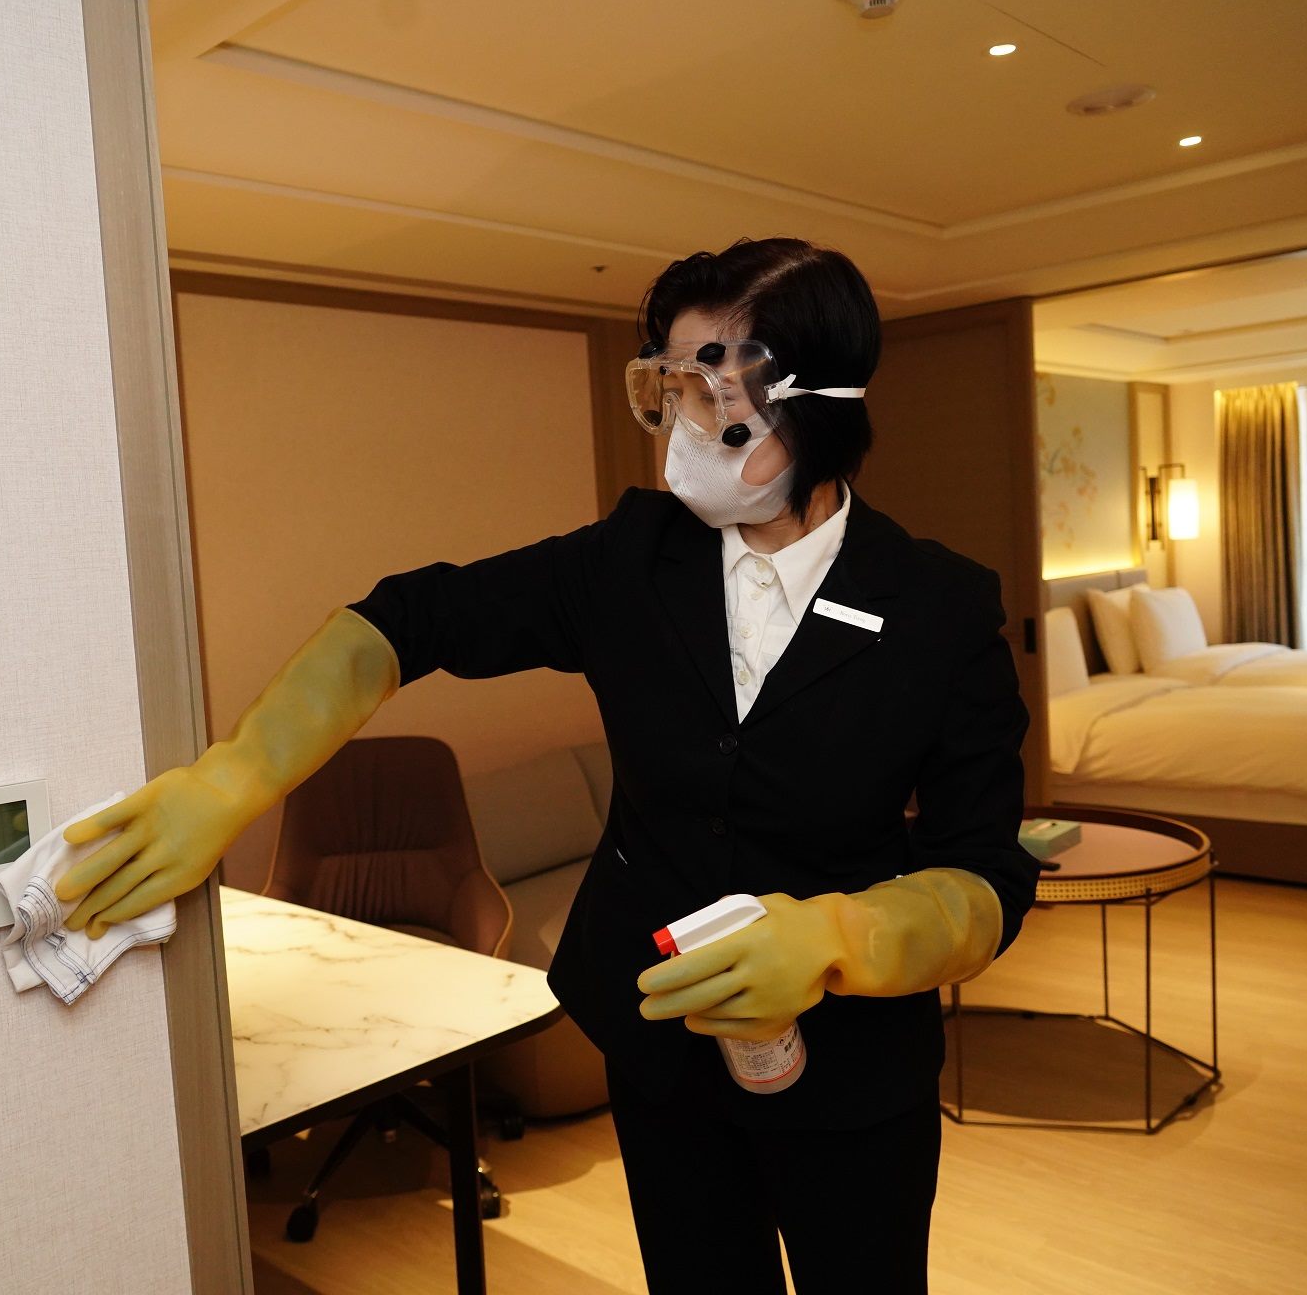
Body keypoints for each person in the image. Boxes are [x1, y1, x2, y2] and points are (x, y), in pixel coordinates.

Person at [54, 236, 1040, 1293]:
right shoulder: (633, 560)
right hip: (660, 1047)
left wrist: (847, 936)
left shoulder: (939, 605)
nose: (685, 424)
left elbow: (985, 871)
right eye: (670, 387)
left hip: (853, 1075)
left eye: (713, 388)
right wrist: (236, 776)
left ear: (817, 399)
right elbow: (407, 620)